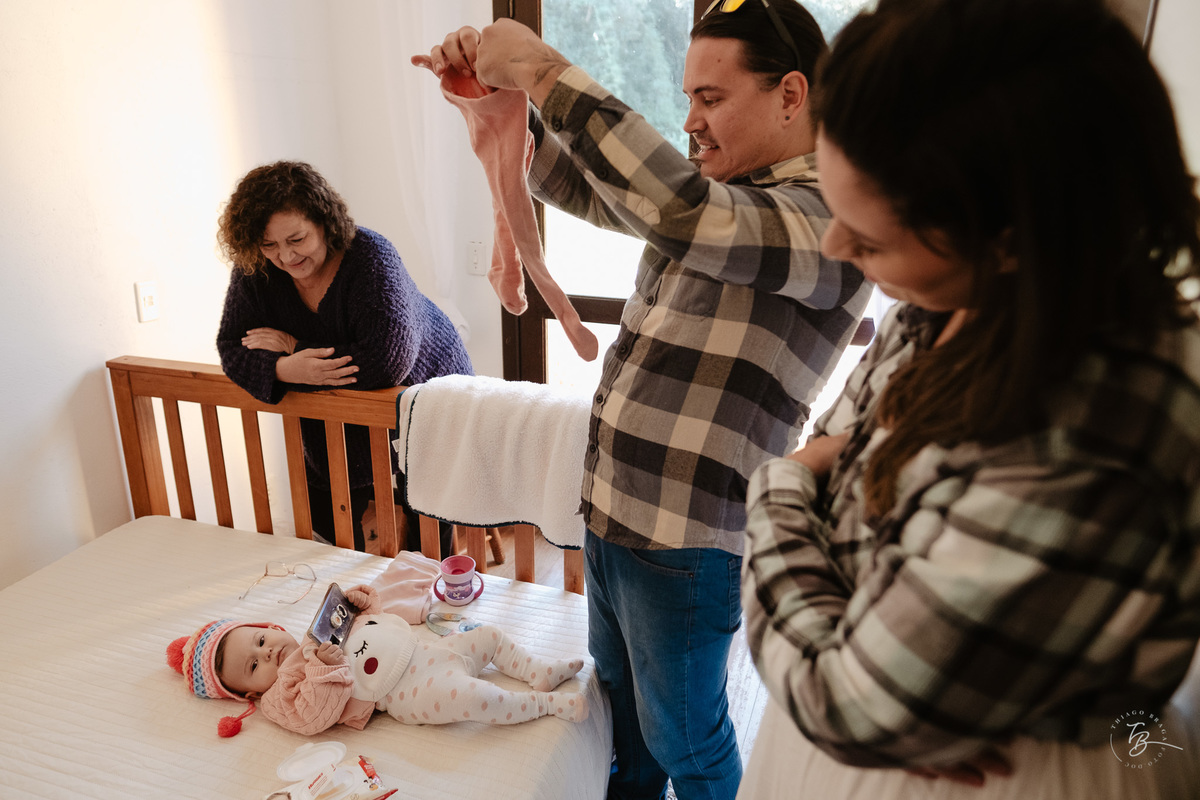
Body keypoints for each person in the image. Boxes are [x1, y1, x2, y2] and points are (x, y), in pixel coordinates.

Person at [738, 0, 1200, 797]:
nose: (835, 248)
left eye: (871, 238)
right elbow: (843, 473)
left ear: (1014, 237)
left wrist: (775, 487)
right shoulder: (954, 297)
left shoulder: (1093, 432)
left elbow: (847, 704)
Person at [421, 2, 870, 796]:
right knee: (623, 716)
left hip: (688, 542)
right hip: (614, 516)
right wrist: (506, 117)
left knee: (686, 739)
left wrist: (541, 71)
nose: (691, 122)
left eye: (712, 98)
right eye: (688, 97)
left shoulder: (824, 221)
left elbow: (683, 214)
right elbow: (605, 192)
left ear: (792, 95)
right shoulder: (720, 192)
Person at [216, 160, 472, 554]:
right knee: (334, 517)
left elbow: (387, 360)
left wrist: (295, 349)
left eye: (296, 239)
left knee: (422, 524)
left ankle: (424, 594)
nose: (285, 256)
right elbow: (232, 347)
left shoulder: (371, 256)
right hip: (344, 409)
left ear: (324, 221)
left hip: (424, 387)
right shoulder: (256, 269)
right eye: (270, 245)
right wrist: (286, 368)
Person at [166, 561, 588, 737]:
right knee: (476, 698)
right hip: (406, 692)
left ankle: (536, 670)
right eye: (254, 665)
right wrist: (323, 670)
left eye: (260, 641)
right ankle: (544, 704)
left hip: (428, 651)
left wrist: (361, 604)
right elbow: (312, 716)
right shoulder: (280, 695)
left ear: (269, 627)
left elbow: (377, 626)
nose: (268, 654)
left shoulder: (315, 633)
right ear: (249, 695)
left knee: (490, 636)